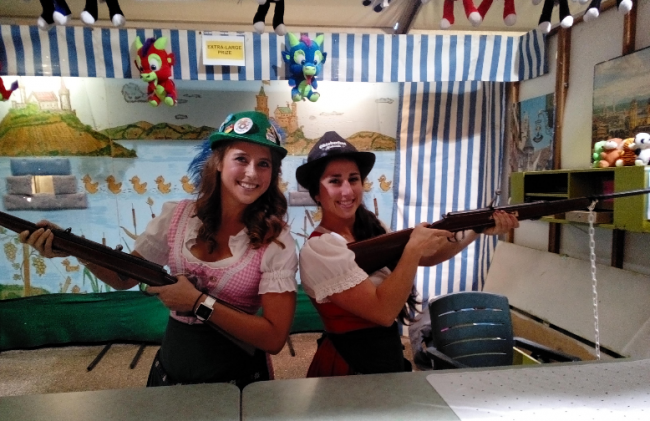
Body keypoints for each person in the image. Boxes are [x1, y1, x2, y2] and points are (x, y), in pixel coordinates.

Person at [20, 111, 298, 388]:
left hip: (238, 381)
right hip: (169, 372)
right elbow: (124, 277)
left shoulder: (276, 240)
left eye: (264, 164)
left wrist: (197, 303)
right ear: (218, 163)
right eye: (241, 159)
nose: (252, 172)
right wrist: (74, 249)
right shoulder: (177, 217)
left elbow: (273, 338)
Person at [296, 131, 519, 376]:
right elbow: (383, 312)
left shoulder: (371, 226)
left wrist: (477, 229)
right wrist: (413, 248)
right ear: (317, 192)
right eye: (335, 181)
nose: (348, 191)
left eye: (354, 179)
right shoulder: (319, 249)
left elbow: (429, 256)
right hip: (349, 367)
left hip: (385, 354)